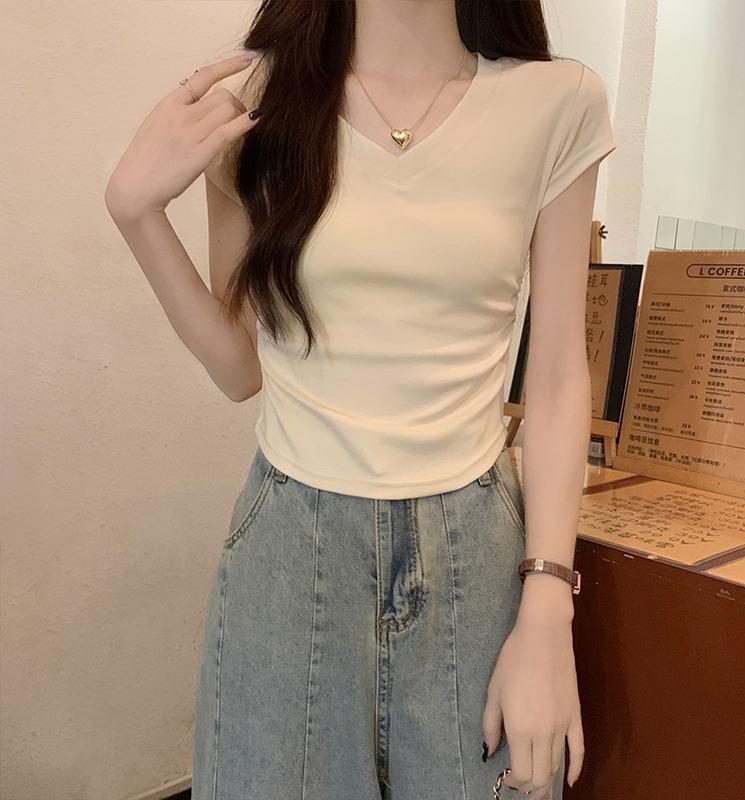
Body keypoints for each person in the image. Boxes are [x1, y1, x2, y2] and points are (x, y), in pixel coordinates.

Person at [105, 2, 616, 798]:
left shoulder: (556, 102)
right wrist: (135, 213)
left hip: (476, 556)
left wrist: (549, 608)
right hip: (288, 551)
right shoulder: (257, 100)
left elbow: (554, 375)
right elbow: (239, 368)